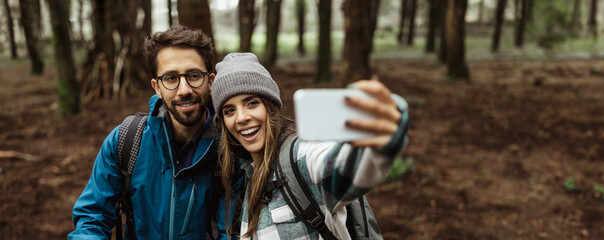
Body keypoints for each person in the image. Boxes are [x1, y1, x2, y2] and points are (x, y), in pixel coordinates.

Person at [211, 53, 409, 239]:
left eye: (252, 103)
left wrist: (381, 134)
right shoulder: (246, 175)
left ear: (270, 107)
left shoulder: (300, 156)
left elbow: (342, 168)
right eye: (229, 111)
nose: (242, 117)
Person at [69, 25, 241, 239]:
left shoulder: (232, 149)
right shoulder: (126, 140)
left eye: (194, 75)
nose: (184, 89)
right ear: (157, 87)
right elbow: (92, 217)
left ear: (211, 81)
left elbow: (233, 232)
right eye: (171, 78)